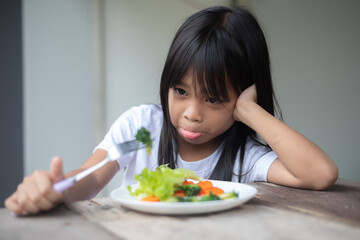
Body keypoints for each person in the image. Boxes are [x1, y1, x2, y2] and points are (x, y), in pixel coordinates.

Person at [5, 6, 338, 216]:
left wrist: (251, 111)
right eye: (180, 91)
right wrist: (56, 189)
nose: (191, 113)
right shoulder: (142, 129)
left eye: (214, 99)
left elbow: (319, 174)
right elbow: (91, 179)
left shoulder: (243, 158)